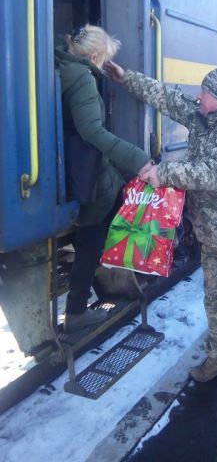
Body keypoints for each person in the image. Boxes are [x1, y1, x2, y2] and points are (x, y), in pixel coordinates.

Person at [103, 60, 217, 412]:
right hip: (212, 230)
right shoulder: (205, 113)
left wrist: (164, 173)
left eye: (204, 93)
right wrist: (126, 77)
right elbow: (167, 99)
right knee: (215, 297)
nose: (198, 97)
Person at [55, 25, 150, 332]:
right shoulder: (83, 78)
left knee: (116, 202)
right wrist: (138, 160)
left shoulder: (61, 64)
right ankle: (77, 311)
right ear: (95, 55)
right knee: (93, 237)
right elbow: (92, 132)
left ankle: (110, 273)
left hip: (76, 166)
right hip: (87, 171)